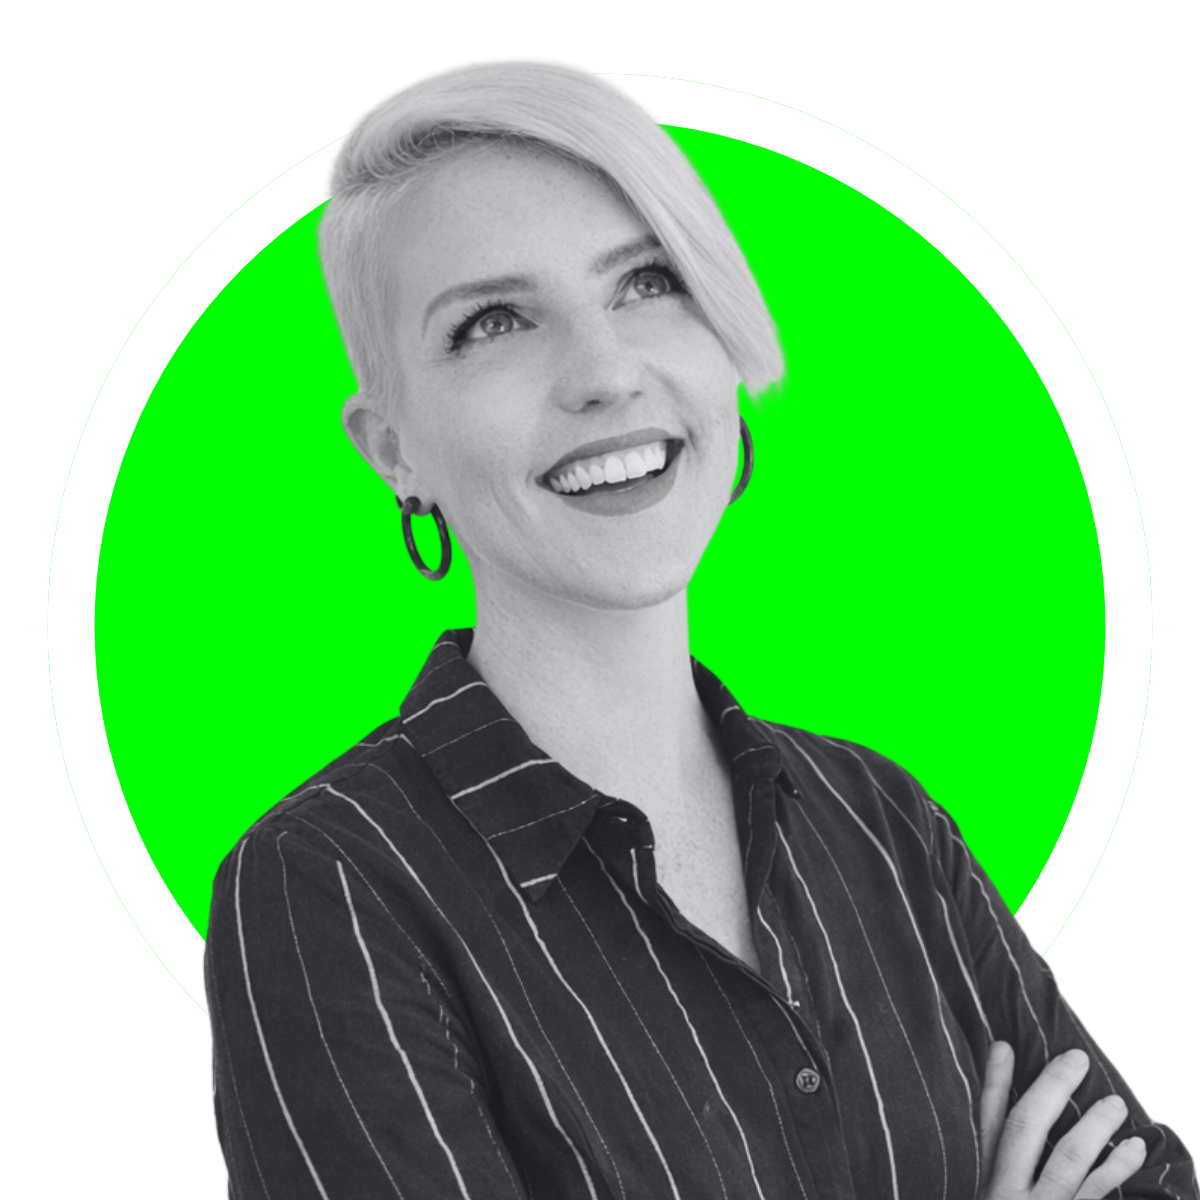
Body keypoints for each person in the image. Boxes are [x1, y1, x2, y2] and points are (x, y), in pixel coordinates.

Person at [204, 62, 1196, 1199]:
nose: (604, 373)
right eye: (493, 322)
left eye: (647, 282)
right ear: (392, 450)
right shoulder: (328, 884)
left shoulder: (878, 821)